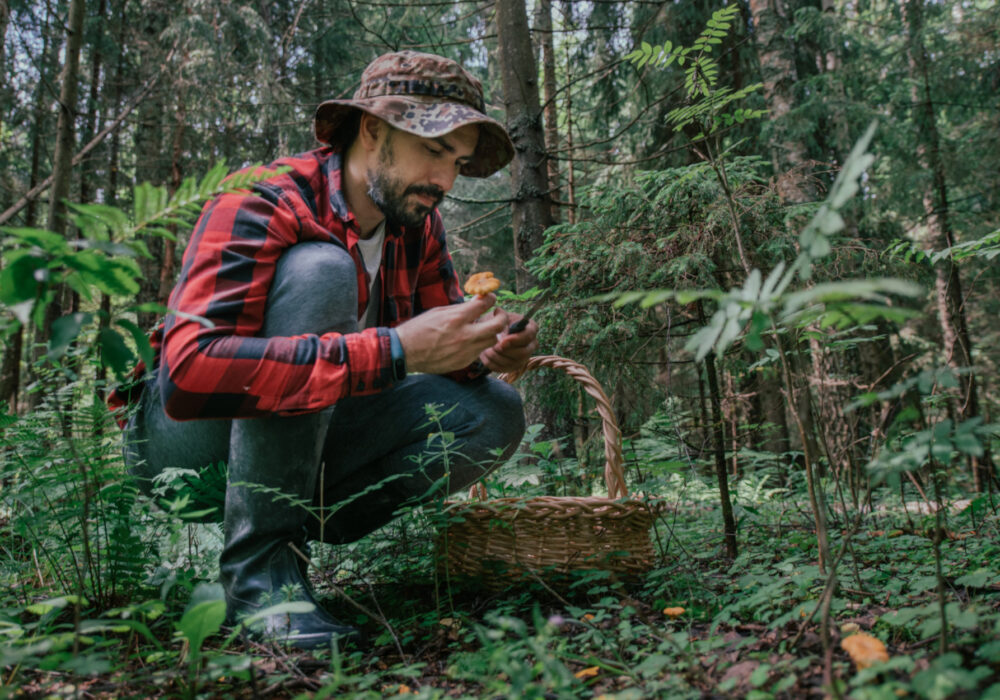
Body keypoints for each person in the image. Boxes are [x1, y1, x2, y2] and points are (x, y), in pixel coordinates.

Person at [114, 50, 538, 649]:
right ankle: (260, 575)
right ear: (372, 129)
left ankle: (297, 533)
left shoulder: (417, 225)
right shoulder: (264, 199)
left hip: (310, 440)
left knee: (493, 410)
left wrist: (489, 352)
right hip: (179, 442)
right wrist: (394, 350)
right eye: (434, 150)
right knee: (323, 271)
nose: (445, 182)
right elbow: (187, 379)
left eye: (459, 162)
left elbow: (437, 360)